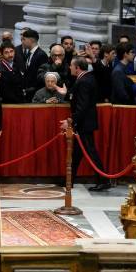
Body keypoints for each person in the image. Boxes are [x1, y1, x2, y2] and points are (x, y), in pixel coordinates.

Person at [61, 57, 110, 191]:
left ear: (77, 68)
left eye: (71, 66)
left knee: (90, 152)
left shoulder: (83, 81)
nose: (69, 68)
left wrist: (70, 120)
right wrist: (66, 93)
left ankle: (104, 180)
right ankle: (69, 179)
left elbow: (82, 106)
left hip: (84, 123)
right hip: (84, 122)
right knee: (77, 152)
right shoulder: (87, 78)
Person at [20, 29, 49, 101]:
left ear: (31, 40)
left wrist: (30, 90)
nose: (22, 41)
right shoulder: (28, 53)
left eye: (24, 39)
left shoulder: (41, 55)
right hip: (27, 92)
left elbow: (41, 77)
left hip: (35, 94)